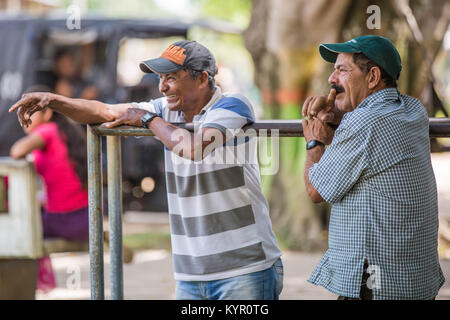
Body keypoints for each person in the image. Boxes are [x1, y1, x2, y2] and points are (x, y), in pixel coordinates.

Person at [10, 40, 283, 300]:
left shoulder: (232, 105)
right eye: (160, 79)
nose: (162, 87)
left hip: (245, 269)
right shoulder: (166, 110)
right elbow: (104, 111)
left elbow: (193, 148)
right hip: (191, 274)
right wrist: (54, 101)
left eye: (171, 78)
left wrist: (148, 119)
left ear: (201, 79)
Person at [301, 35, 445, 300]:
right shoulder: (413, 110)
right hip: (414, 280)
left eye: (342, 70)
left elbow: (314, 190)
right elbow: (372, 140)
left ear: (373, 76)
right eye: (334, 71)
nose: (332, 80)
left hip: (377, 286)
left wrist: (315, 140)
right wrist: (340, 120)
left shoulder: (364, 123)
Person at [10, 86, 90, 293]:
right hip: (85, 216)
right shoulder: (64, 134)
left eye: (29, 112)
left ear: (46, 113)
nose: (23, 117)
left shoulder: (46, 131)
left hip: (65, 220)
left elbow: (16, 151)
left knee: (15, 232)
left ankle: (26, 287)